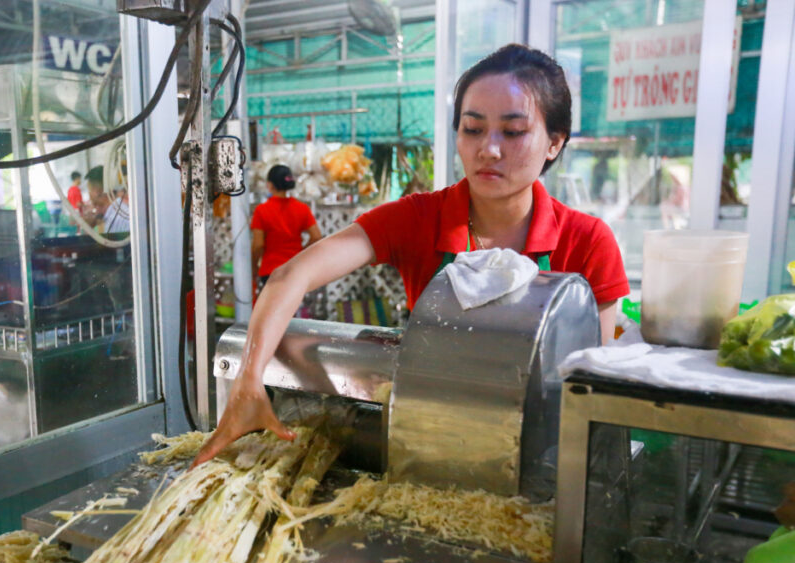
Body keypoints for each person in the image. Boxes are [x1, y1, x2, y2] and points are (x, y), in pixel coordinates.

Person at [192, 43, 630, 468]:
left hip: (540, 460)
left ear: (554, 142)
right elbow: (292, 276)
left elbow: (593, 387)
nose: (488, 149)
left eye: (513, 132)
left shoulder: (587, 240)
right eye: (472, 128)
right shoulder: (418, 218)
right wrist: (248, 382)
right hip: (428, 444)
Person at [251, 165, 322, 287]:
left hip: (271, 271)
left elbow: (258, 245)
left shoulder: (261, 210)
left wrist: (253, 266)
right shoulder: (302, 208)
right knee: (294, 305)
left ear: (270, 185)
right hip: (296, 270)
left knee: (273, 306)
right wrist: (301, 252)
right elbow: (316, 237)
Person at [81, 166, 129, 238]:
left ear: (97, 192)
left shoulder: (122, 218)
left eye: (89, 191)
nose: (89, 196)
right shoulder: (112, 214)